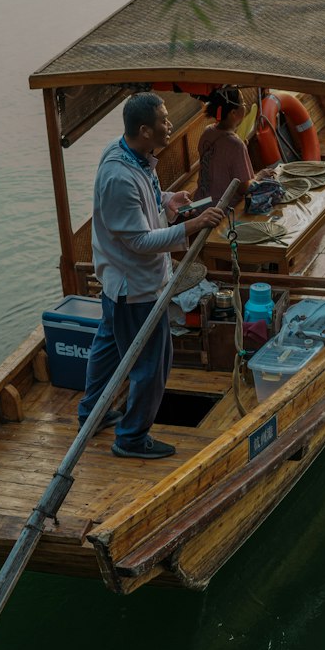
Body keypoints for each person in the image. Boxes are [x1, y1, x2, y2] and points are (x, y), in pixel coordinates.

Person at [77, 92, 224, 460]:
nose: (169, 123)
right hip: (134, 289)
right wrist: (191, 226)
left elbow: (146, 204)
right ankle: (131, 437)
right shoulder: (118, 177)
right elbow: (140, 240)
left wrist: (168, 201)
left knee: (109, 346)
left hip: (117, 284)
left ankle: (91, 413)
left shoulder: (133, 153)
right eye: (162, 120)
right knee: (152, 363)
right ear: (144, 130)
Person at [194, 86, 255, 205]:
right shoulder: (236, 145)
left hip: (199, 202)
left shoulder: (208, 131)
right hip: (219, 208)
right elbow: (243, 188)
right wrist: (260, 176)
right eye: (242, 103)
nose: (245, 105)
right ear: (233, 113)